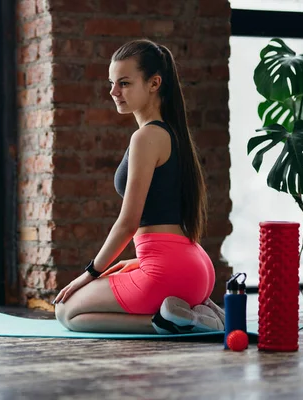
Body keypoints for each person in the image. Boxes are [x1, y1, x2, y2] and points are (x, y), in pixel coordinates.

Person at [53, 39, 225, 334]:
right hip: (196, 268)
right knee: (98, 290)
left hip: (167, 272)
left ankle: (177, 322)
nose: (113, 92)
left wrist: (89, 273)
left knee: (66, 312)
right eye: (112, 83)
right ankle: (196, 310)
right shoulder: (174, 134)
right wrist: (131, 261)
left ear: (154, 83)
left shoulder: (145, 138)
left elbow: (128, 223)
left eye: (124, 83)